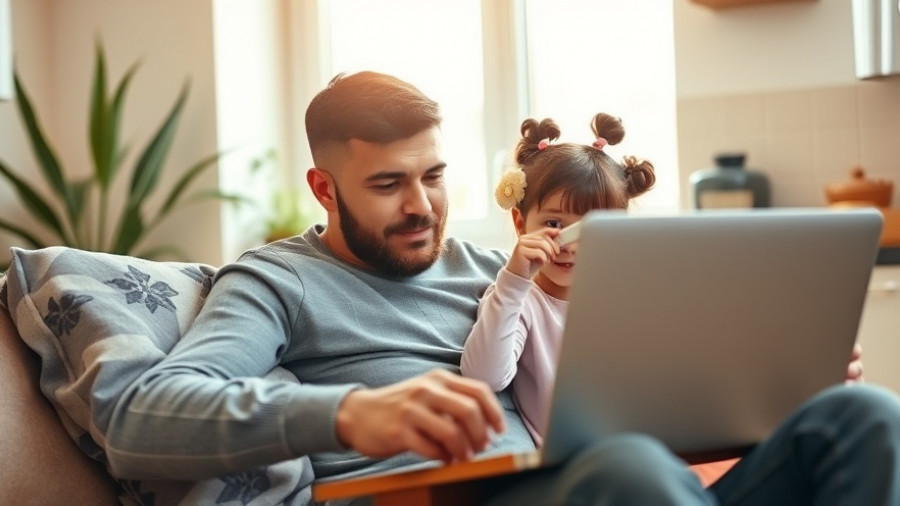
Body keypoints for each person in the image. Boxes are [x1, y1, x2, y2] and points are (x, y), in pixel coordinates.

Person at [105, 70, 900, 505]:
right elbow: (142, 419)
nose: (421, 206)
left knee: (863, 417)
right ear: (323, 187)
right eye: (387, 184)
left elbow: (638, 389)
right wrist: (350, 411)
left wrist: (778, 382)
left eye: (435, 176)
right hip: (436, 501)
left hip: (581, 483)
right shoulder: (278, 280)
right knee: (632, 473)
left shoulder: (499, 269)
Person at [461, 112, 656, 446]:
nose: (570, 244)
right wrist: (513, 280)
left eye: (589, 228)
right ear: (521, 225)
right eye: (553, 224)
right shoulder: (517, 298)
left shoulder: (623, 299)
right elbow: (484, 377)